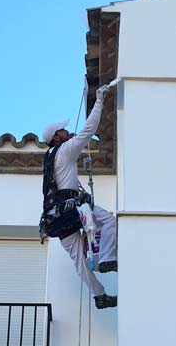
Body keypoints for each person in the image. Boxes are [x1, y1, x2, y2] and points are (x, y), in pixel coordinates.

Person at [40, 81, 118, 309]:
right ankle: (107, 258)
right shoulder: (65, 150)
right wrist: (100, 100)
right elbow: (88, 130)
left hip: (55, 218)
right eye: (62, 130)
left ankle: (99, 295)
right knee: (108, 221)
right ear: (56, 137)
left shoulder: (49, 159)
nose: (66, 131)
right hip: (73, 209)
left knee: (79, 261)